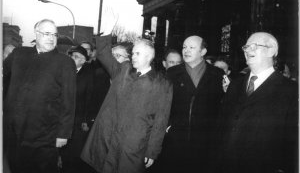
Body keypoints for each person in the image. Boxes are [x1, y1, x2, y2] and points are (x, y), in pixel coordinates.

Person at [81, 36, 173, 173]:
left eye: (138, 53)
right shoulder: (123, 70)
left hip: (134, 144)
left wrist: (152, 151)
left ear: (149, 56)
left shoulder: (162, 84)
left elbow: (161, 120)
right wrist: (106, 34)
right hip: (109, 138)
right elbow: (103, 54)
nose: (133, 57)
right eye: (133, 53)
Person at [215, 32, 298, 173]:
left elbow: (292, 138)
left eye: (254, 46)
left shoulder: (290, 90)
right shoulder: (235, 84)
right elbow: (222, 125)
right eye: (246, 47)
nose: (248, 50)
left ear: (271, 51)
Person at [3, 19, 76, 173]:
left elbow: (68, 101)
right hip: (15, 132)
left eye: (54, 35)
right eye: (47, 33)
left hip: (44, 136)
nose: (51, 38)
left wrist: (63, 134)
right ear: (36, 33)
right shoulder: (19, 54)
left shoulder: (65, 62)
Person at [164, 35, 224, 172]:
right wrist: (168, 126)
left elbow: (222, 107)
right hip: (176, 140)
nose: (186, 50)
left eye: (192, 47)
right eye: (184, 47)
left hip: (206, 141)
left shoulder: (217, 74)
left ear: (203, 52)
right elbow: (163, 103)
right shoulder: (172, 73)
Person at [61, 45, 95, 173]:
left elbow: (89, 97)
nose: (72, 58)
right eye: (71, 56)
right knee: (62, 151)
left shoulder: (88, 75)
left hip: (78, 119)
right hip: (63, 118)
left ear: (83, 60)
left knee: (73, 153)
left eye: (76, 57)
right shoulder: (64, 71)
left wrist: (86, 119)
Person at [80, 41, 110, 128]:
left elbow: (99, 95)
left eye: (86, 49)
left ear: (92, 52)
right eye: (81, 49)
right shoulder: (72, 67)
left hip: (90, 114)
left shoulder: (99, 70)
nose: (83, 51)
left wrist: (88, 118)